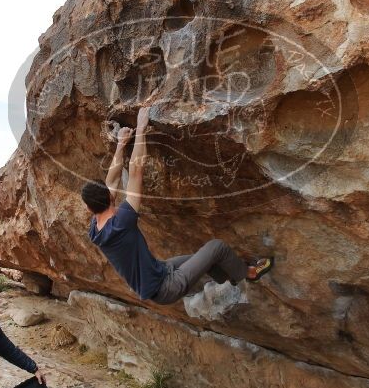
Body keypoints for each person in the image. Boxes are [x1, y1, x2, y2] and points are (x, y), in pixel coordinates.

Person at [83, 107, 274, 305]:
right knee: (217, 248)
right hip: (166, 287)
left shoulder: (95, 231)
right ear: (109, 197)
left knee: (205, 259)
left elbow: (112, 181)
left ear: (90, 209)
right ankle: (249, 273)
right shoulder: (122, 221)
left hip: (160, 271)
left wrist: (121, 144)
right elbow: (135, 172)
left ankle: (231, 275)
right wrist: (141, 129)